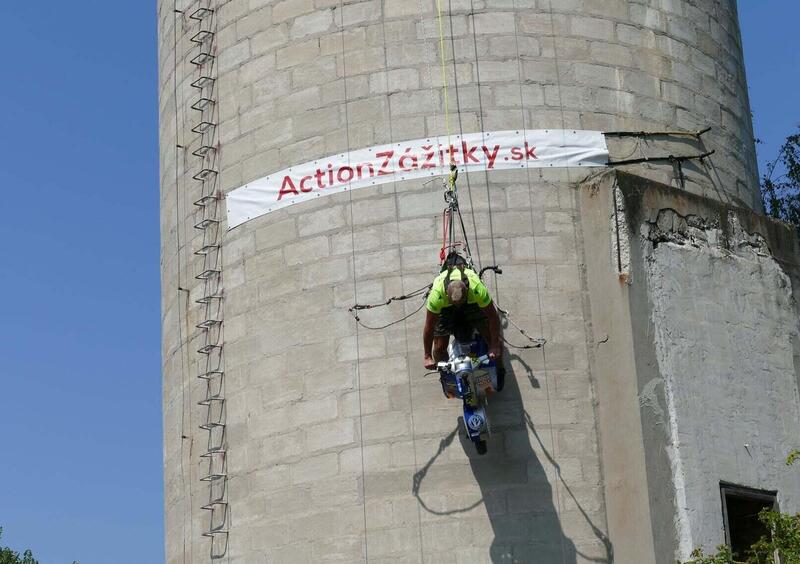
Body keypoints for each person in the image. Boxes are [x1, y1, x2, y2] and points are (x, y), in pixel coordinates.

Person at [422, 264, 504, 376]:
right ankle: (446, 376)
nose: (458, 306)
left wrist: (494, 345)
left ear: (467, 290)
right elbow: (429, 326)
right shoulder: (437, 295)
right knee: (439, 346)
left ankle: (499, 370)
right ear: (446, 293)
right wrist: (427, 356)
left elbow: (493, 317)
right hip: (446, 308)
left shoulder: (477, 289)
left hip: (471, 304)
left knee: (492, 339)